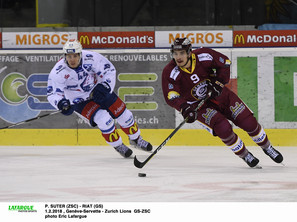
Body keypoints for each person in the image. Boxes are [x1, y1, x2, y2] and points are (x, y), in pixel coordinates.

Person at [162, 37, 283, 168]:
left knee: (249, 123)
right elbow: (171, 96)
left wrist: (218, 83)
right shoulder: (170, 72)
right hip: (200, 107)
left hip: (221, 96)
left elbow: (225, 62)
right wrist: (185, 108)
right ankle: (245, 155)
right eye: (175, 53)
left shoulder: (204, 55)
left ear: (189, 52)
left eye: (182, 53)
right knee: (223, 129)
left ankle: (267, 147)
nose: (178, 57)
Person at [47, 39, 152, 158]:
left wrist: (105, 86)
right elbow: (53, 93)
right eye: (69, 56)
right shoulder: (58, 71)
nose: (72, 59)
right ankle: (118, 145)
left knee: (124, 115)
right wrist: (61, 103)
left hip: (98, 91)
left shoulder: (92, 58)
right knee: (104, 119)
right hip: (79, 101)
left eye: (75, 55)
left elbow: (109, 70)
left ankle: (136, 139)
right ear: (64, 56)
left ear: (80, 54)